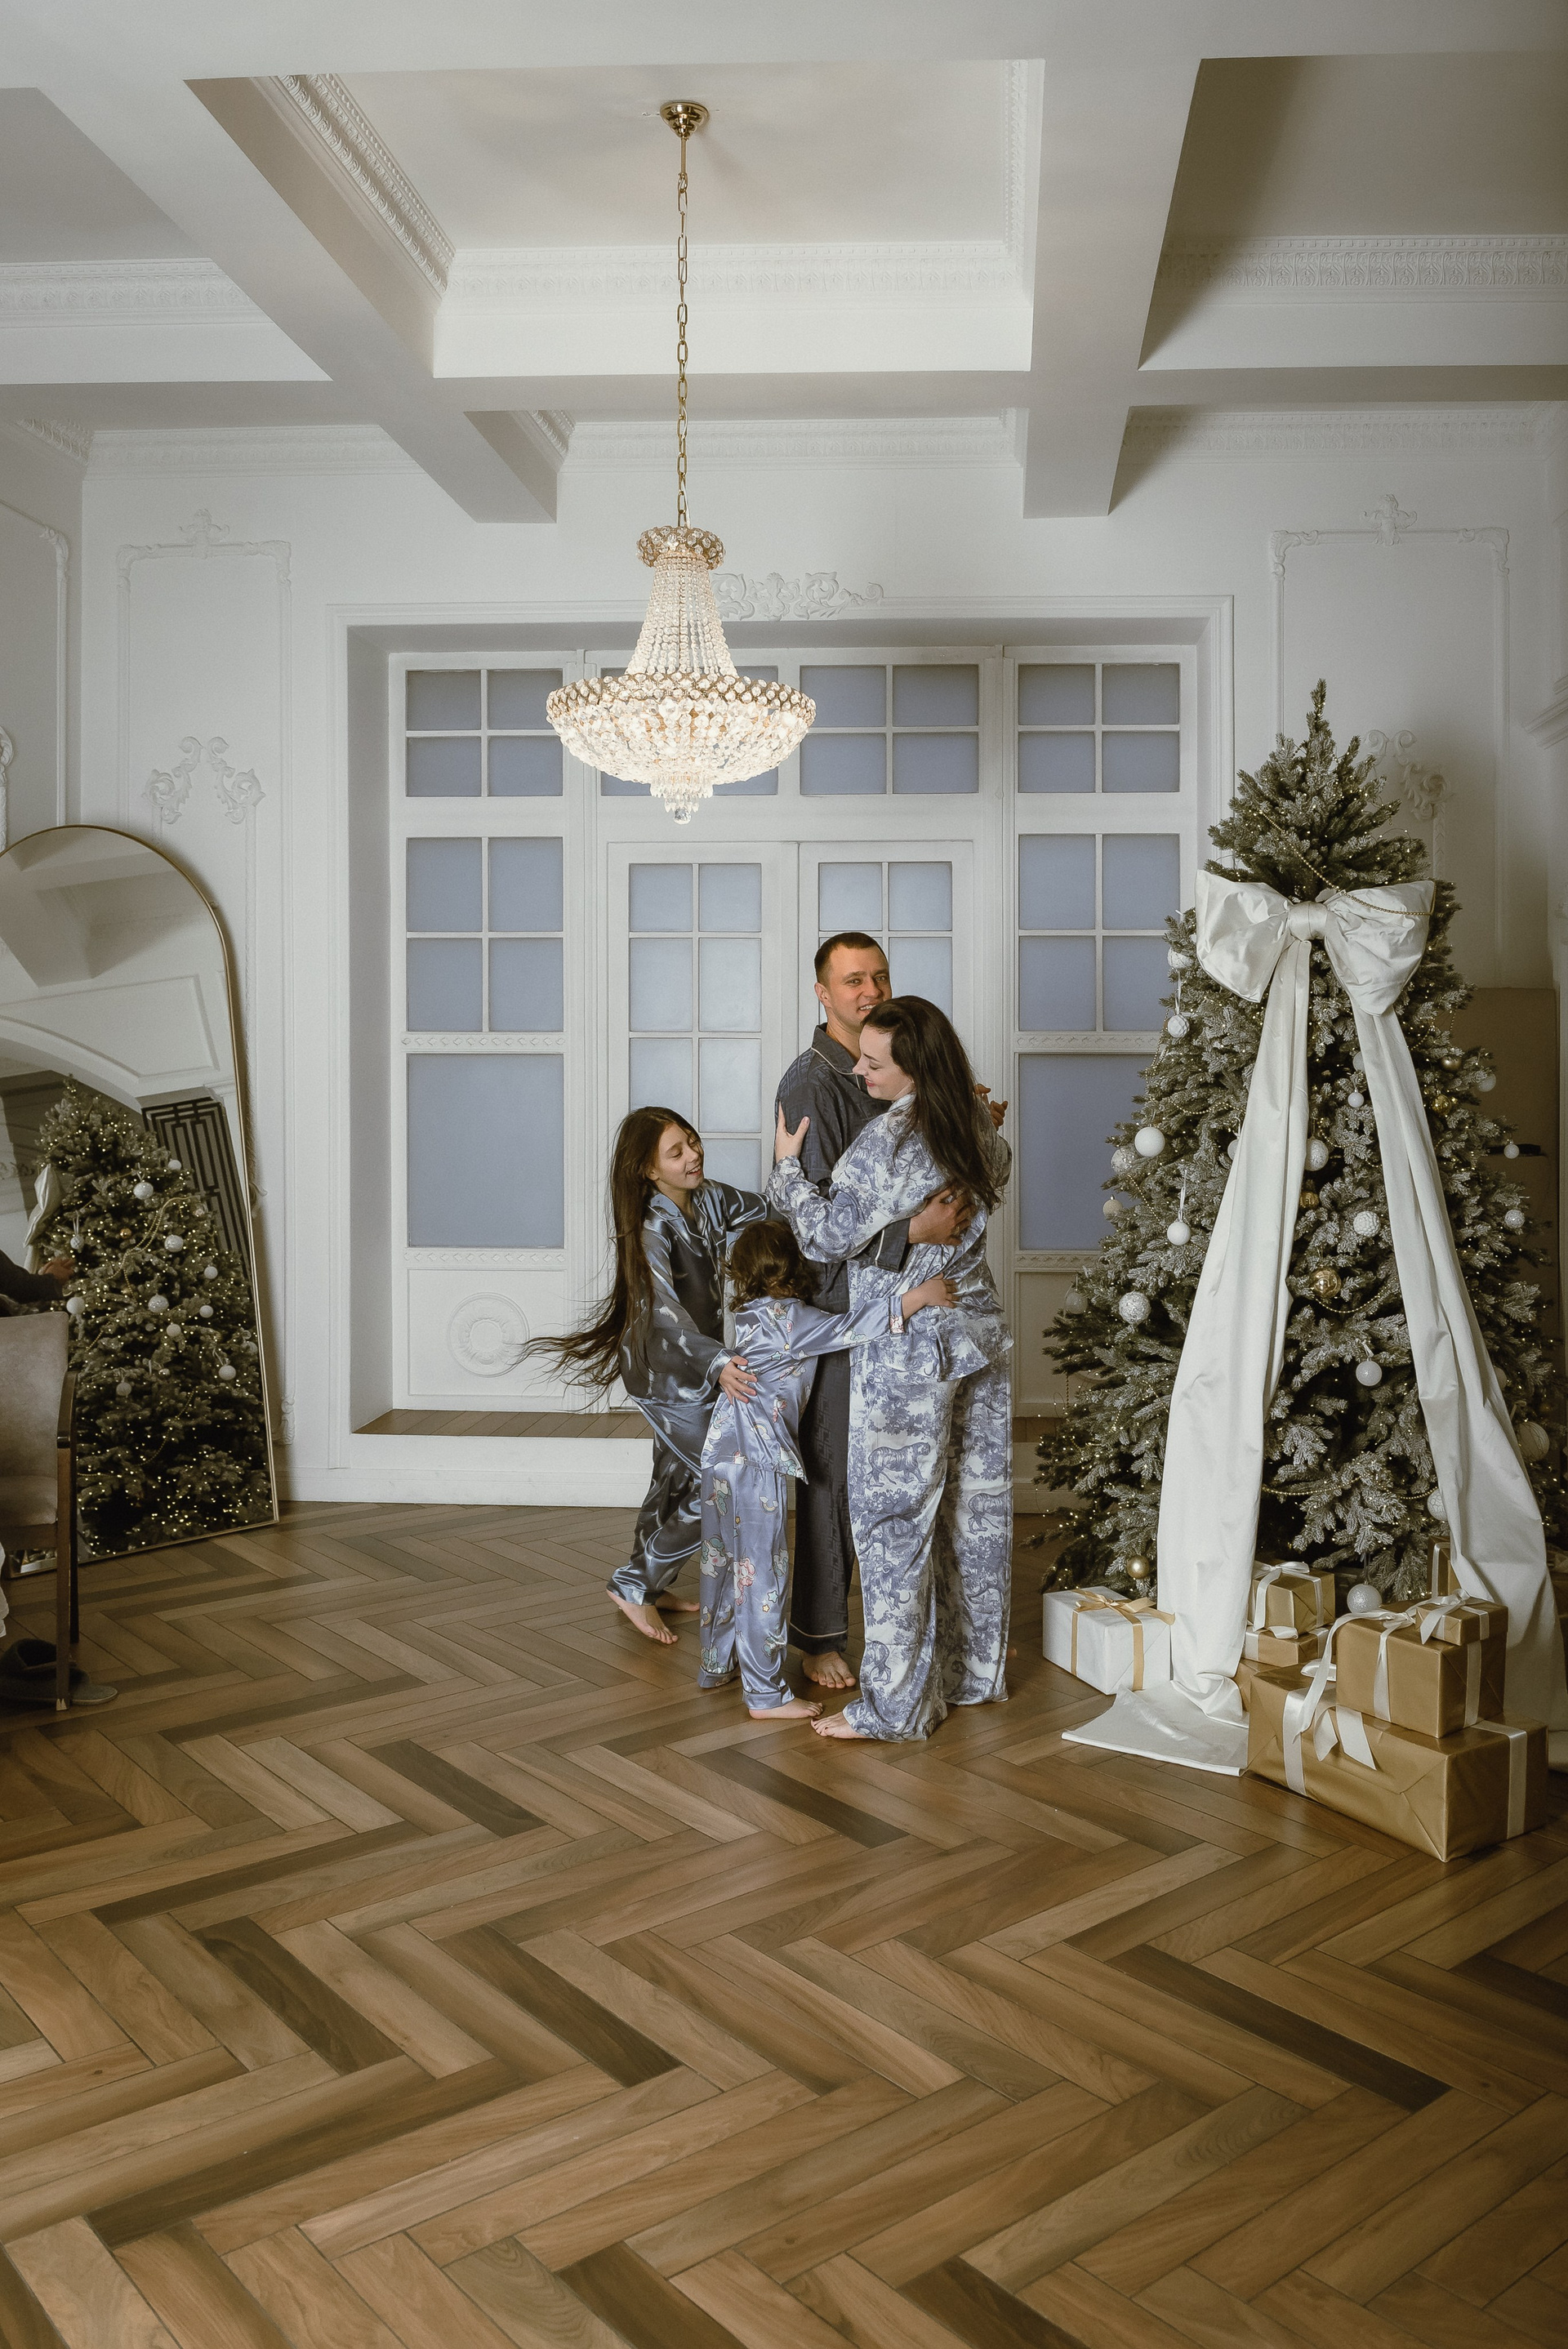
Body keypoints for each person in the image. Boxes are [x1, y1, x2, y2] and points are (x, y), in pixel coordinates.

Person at [770, 996, 1013, 1742]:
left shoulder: (887, 1143)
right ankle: (970, 1674)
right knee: (973, 1512)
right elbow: (996, 1172)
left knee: (893, 1525)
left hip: (908, 1349)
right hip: (977, 1335)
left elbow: (823, 1237)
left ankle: (896, 1708)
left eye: (874, 1063)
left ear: (915, 1068)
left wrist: (786, 1171)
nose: (859, 1072)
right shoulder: (978, 1126)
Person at [523, 1106, 766, 1645]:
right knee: (727, 1477)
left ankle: (649, 1586)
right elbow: (662, 1310)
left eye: (692, 1142)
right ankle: (636, 1582)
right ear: (649, 1170)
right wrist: (717, 1363)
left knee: (675, 1476)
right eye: (676, 1153)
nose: (693, 1155)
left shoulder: (711, 1199)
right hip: (666, 1373)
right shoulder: (653, 1226)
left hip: (698, 1364)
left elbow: (769, 1211)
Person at [698, 1220, 957, 1720]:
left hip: (719, 1455)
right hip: (758, 1461)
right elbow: (853, 1326)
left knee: (722, 1562)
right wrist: (919, 1296)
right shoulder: (792, 1319)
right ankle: (764, 1695)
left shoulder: (749, 1316)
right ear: (794, 1268)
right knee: (762, 1574)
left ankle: (716, 1663)